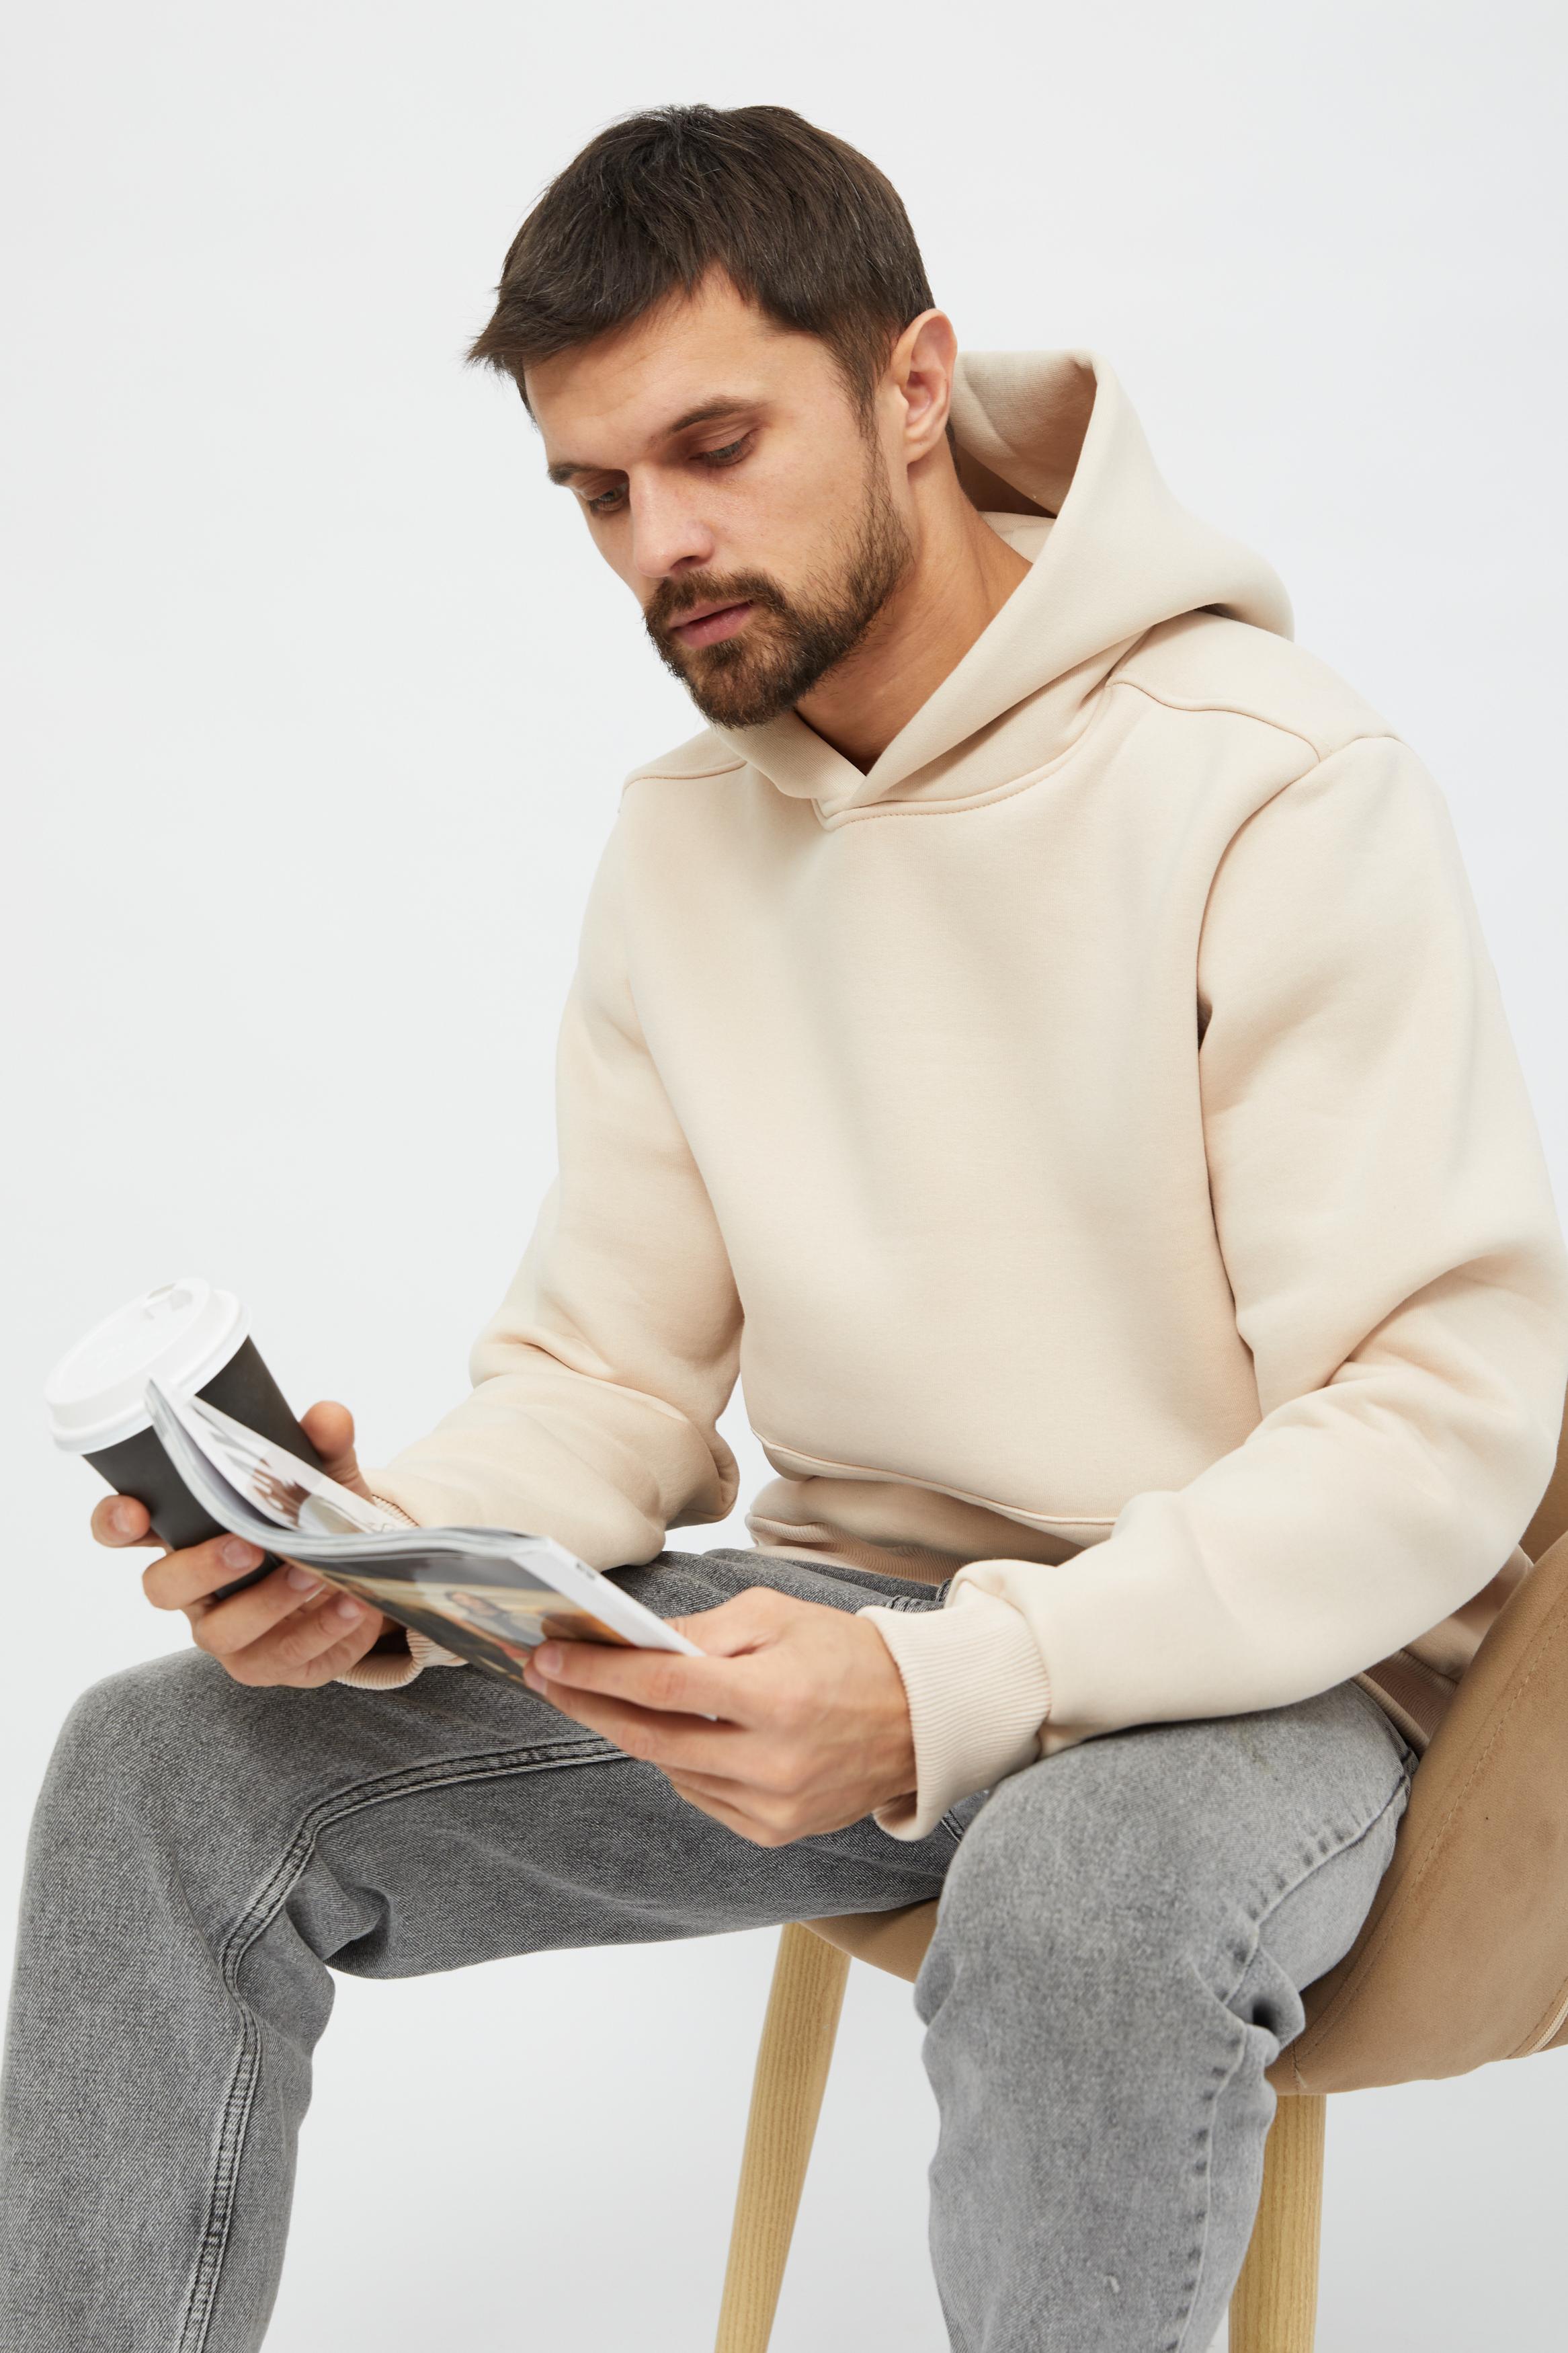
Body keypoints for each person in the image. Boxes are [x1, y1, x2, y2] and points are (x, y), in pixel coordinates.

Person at [3, 102, 1566, 2353]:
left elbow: (1431, 1428)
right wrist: (381, 1558)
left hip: (1289, 1673)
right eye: (599, 492)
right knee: (161, 1771)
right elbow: (607, 1375)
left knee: (1080, 1892)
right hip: (851, 1630)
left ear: (914, 383)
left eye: (714, 447)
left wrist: (955, 1685)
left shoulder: (1272, 783)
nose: (663, 543)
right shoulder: (683, 843)